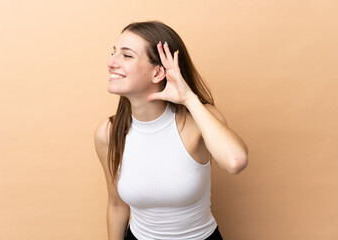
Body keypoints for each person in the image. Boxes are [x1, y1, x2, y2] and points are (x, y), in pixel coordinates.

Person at [94, 21, 248, 240]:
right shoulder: (108, 134)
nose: (111, 63)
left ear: (158, 73)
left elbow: (235, 161)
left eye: (126, 56)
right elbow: (117, 205)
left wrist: (188, 98)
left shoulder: (199, 120)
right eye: (113, 53)